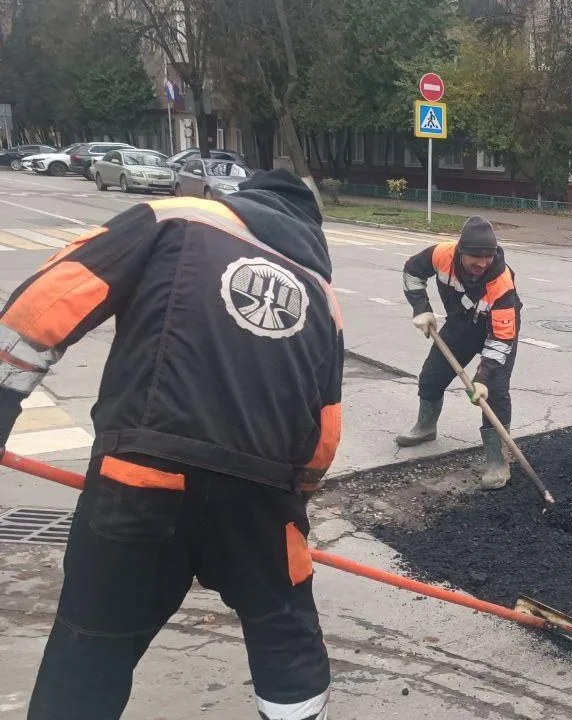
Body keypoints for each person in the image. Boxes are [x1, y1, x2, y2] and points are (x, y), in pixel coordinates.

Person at [0, 170, 344, 720]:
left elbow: (53, 298)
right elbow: (325, 430)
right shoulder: (321, 294)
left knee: (94, 641)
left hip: (141, 480)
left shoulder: (178, 217)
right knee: (286, 637)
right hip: (260, 500)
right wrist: (294, 497)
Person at [397, 216, 522, 490]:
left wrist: (484, 377)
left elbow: (501, 340)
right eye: (475, 257)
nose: (482, 263)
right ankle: (426, 426)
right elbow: (411, 272)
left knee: (495, 393)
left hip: (496, 331)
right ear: (460, 251)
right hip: (460, 325)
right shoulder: (441, 254)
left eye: (487, 257)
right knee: (431, 376)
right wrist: (421, 308)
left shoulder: (501, 283)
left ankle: (497, 460)